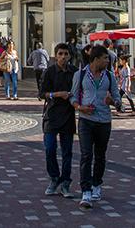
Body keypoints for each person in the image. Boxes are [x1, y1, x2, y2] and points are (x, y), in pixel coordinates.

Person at [70, 44, 121, 210]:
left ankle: (97, 184)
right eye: (105, 58)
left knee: (100, 155)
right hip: (86, 119)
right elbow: (73, 97)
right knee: (86, 154)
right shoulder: (81, 74)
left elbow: (118, 101)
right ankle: (86, 190)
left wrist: (112, 102)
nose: (108, 61)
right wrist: (80, 107)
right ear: (96, 59)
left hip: (104, 121)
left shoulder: (110, 77)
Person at [39, 43, 76, 199]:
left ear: (69, 56)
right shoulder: (49, 72)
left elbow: (79, 90)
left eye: (66, 54)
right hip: (52, 115)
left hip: (68, 115)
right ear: (55, 55)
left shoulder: (74, 72)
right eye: (60, 53)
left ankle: (65, 182)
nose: (63, 57)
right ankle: (54, 178)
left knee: (67, 152)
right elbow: (42, 94)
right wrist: (57, 94)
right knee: (50, 148)